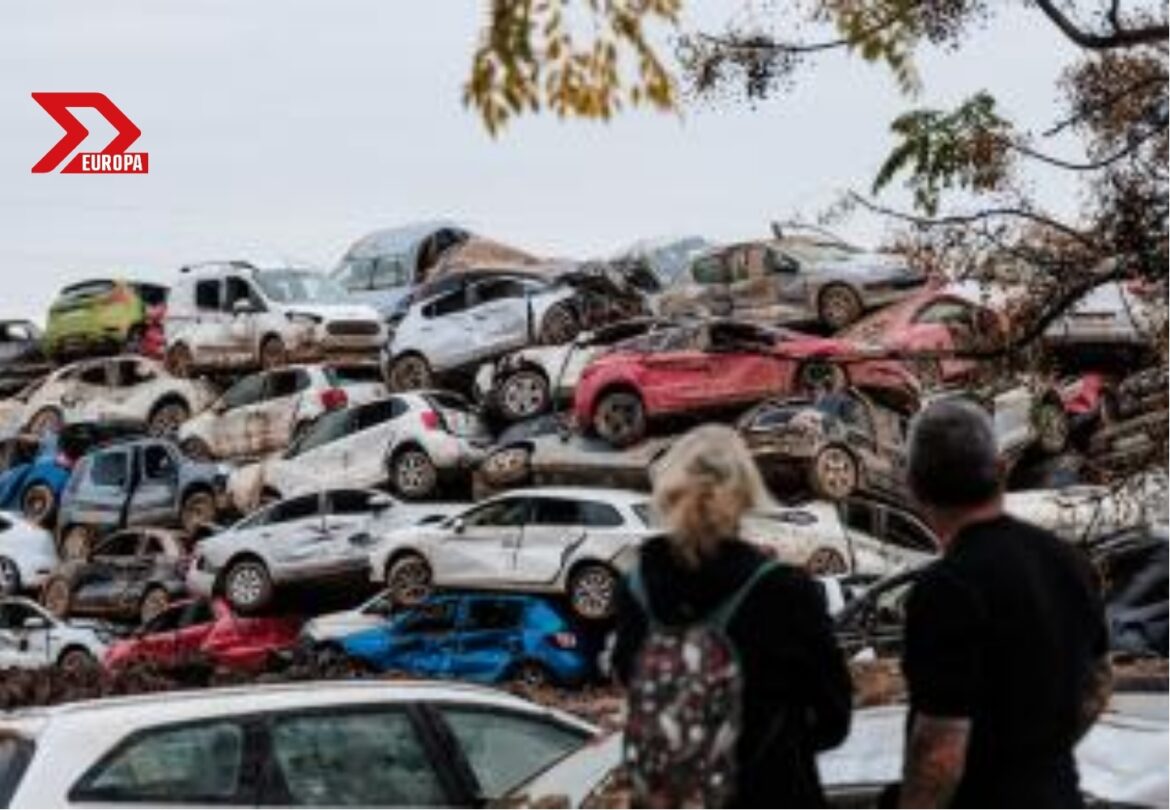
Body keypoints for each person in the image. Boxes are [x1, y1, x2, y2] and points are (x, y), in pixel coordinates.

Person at [612, 424, 852, 808]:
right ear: (745, 494)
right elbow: (834, 719)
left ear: (669, 492)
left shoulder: (634, 590)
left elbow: (631, 687)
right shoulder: (785, 591)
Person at [899, 400, 1112, 808]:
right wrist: (1037, 757)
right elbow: (1098, 684)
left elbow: (940, 751)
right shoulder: (1068, 562)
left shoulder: (945, 588)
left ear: (914, 486)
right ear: (1000, 470)